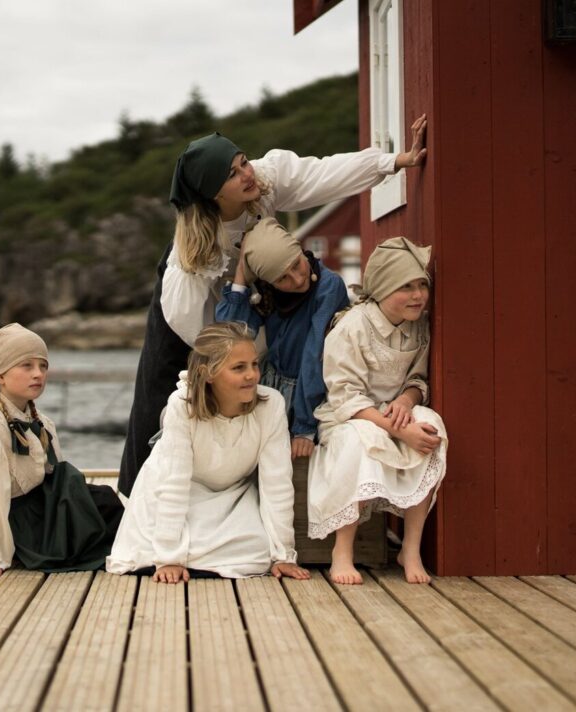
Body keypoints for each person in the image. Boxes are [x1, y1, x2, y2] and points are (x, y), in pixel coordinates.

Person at [119, 115, 428, 496]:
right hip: (193, 316)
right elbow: (190, 323)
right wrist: (234, 352)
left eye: (243, 161)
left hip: (259, 288)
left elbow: (323, 174)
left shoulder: (262, 181)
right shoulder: (193, 255)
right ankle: (133, 500)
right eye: (232, 175)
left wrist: (394, 162)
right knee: (162, 393)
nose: (246, 174)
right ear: (214, 194)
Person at [107, 322, 310, 582]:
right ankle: (175, 553)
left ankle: (205, 554)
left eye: (254, 364)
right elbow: (174, 483)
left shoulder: (271, 405)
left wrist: (283, 555)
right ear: (209, 373)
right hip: (173, 491)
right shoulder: (181, 407)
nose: (252, 375)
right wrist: (169, 558)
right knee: (149, 549)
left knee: (258, 550)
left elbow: (277, 484)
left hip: (231, 495)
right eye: (239, 368)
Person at [308, 237, 448, 585]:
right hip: (351, 415)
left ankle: (410, 548)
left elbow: (418, 377)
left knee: (431, 428)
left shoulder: (418, 325)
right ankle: (343, 550)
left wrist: (407, 402)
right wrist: (397, 429)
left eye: (422, 285)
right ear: (383, 288)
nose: (418, 295)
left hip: (394, 409)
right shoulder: (353, 327)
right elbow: (344, 395)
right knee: (361, 441)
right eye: (406, 287)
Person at [0, 324, 123, 575]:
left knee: (105, 502)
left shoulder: (40, 420)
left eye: (43, 366)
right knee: (95, 538)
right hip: (15, 521)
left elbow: (53, 478)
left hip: (38, 506)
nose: (38, 374)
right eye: (26, 366)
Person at [215, 217, 348, 458]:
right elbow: (229, 337)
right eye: (282, 278)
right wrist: (242, 276)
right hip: (267, 387)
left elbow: (315, 353)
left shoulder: (328, 287)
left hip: (310, 393)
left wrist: (304, 427)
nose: (297, 280)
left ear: (299, 248)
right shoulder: (265, 293)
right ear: (267, 282)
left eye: (297, 265)